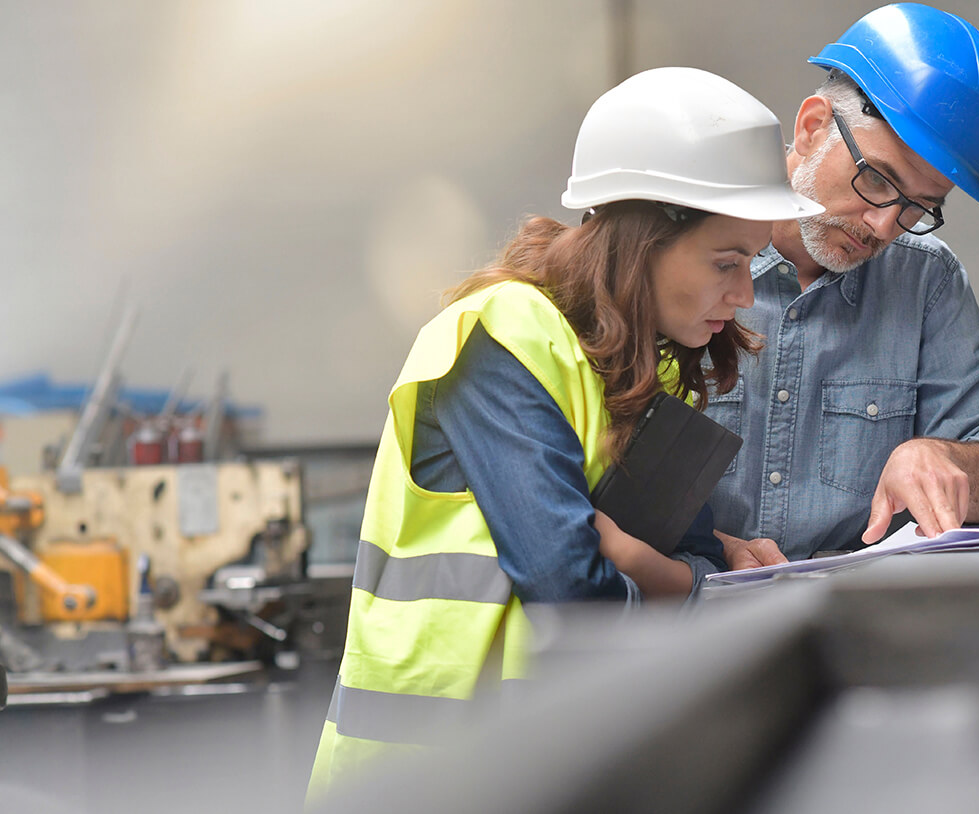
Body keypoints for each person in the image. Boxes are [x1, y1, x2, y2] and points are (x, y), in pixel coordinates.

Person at [307, 67, 820, 801]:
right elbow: (569, 585)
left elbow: (692, 557)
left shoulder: (656, 372)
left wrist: (659, 567)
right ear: (644, 241)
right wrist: (669, 577)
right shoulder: (504, 337)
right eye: (726, 261)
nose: (744, 294)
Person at [706, 3, 979, 567]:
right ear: (813, 127)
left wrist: (946, 458)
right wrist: (699, 547)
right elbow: (595, 466)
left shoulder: (925, 282)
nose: (885, 225)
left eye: (920, 207)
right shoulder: (688, 251)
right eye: (877, 180)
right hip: (684, 620)